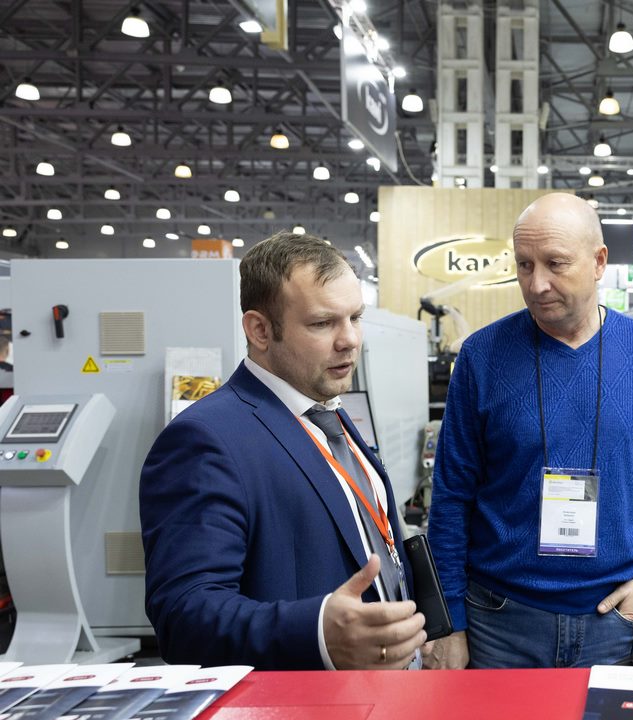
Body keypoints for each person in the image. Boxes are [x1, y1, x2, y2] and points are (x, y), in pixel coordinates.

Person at [423, 193, 633, 670]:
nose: (536, 284)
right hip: (499, 625)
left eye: (555, 263)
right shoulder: (481, 356)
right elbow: (451, 496)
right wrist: (450, 621)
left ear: (599, 262)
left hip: (616, 624)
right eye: (524, 264)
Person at [140, 232, 427, 670]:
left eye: (355, 317)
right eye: (322, 323)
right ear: (259, 330)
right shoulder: (206, 440)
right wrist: (318, 633)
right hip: (309, 699)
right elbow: (184, 616)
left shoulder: (328, 411)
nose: (350, 340)